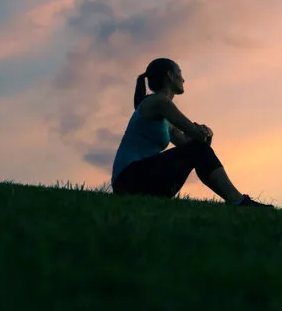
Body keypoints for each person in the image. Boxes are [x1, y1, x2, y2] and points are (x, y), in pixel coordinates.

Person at [110, 57, 273, 207]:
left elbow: (189, 144)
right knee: (197, 151)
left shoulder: (165, 119)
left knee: (198, 151)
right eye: (179, 73)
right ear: (169, 75)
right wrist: (201, 132)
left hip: (139, 180)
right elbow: (195, 136)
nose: (183, 79)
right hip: (129, 179)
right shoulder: (159, 102)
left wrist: (203, 137)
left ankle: (238, 201)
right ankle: (239, 201)